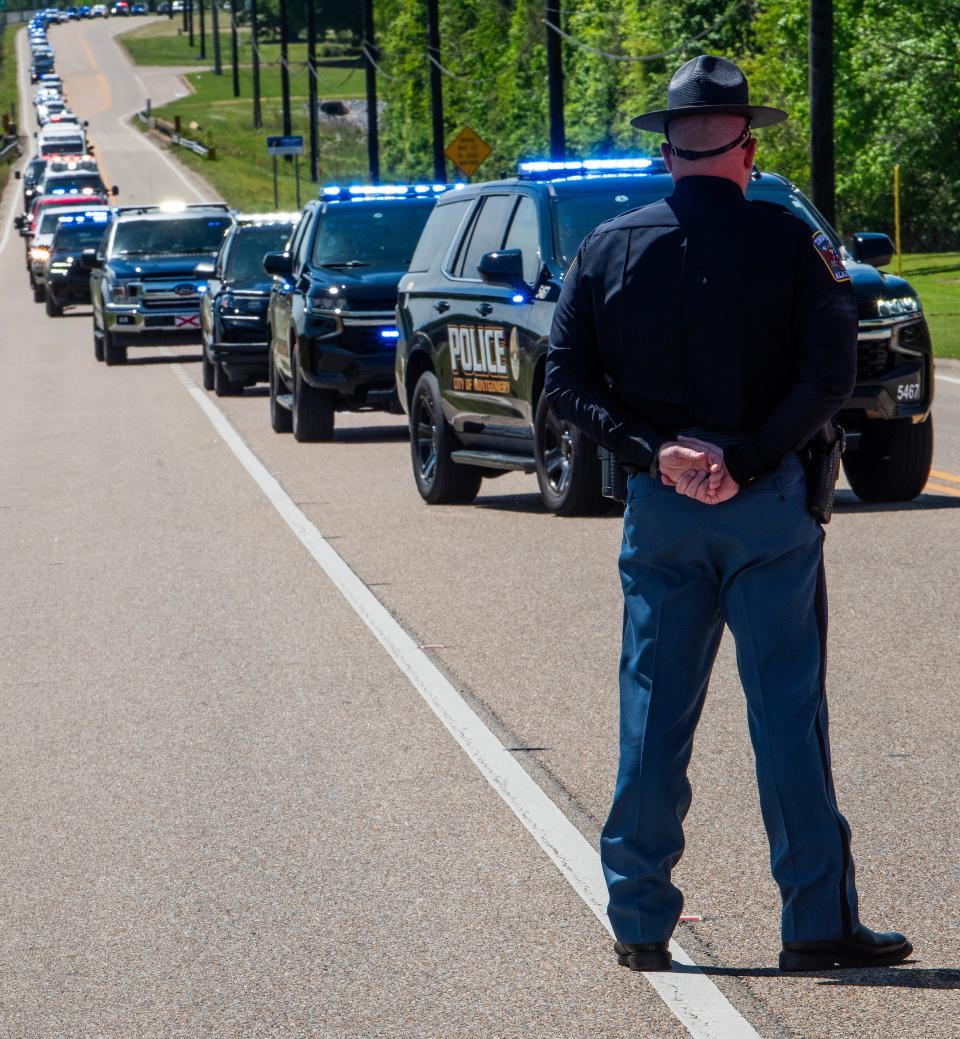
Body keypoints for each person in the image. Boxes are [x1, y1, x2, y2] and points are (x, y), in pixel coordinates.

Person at [545, 55, 912, 973]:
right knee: (787, 714)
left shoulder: (607, 246)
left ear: (667, 151)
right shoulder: (790, 244)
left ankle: (638, 922)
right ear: (744, 150)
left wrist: (654, 451)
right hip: (768, 506)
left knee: (653, 712)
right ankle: (815, 924)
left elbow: (563, 383)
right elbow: (832, 376)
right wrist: (742, 459)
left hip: (661, 509)